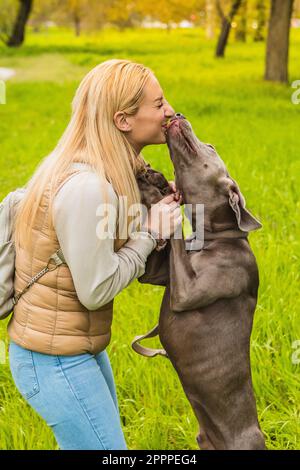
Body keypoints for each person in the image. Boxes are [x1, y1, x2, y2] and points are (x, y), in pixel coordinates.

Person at [7, 59, 182, 450]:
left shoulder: (98, 166)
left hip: (73, 349)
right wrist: (151, 233)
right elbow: (96, 289)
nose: (169, 111)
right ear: (123, 120)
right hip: (53, 360)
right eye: (158, 104)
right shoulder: (88, 187)